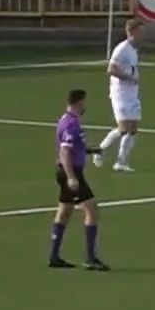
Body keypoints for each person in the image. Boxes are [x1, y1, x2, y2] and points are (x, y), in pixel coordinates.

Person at [50, 89, 107, 271]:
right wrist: (72, 177)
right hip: (71, 172)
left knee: (65, 210)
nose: (85, 106)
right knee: (92, 210)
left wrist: (90, 151)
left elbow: (72, 148)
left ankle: (54, 256)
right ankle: (90, 258)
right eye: (84, 102)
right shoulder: (71, 124)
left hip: (64, 171)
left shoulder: (65, 120)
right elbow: (65, 152)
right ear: (78, 103)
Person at [92, 18, 145, 171]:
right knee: (123, 128)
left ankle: (121, 162)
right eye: (141, 31)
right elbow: (111, 69)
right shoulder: (122, 48)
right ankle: (100, 151)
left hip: (132, 94)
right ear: (133, 32)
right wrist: (129, 77)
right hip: (120, 94)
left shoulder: (134, 50)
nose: (143, 35)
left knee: (133, 129)